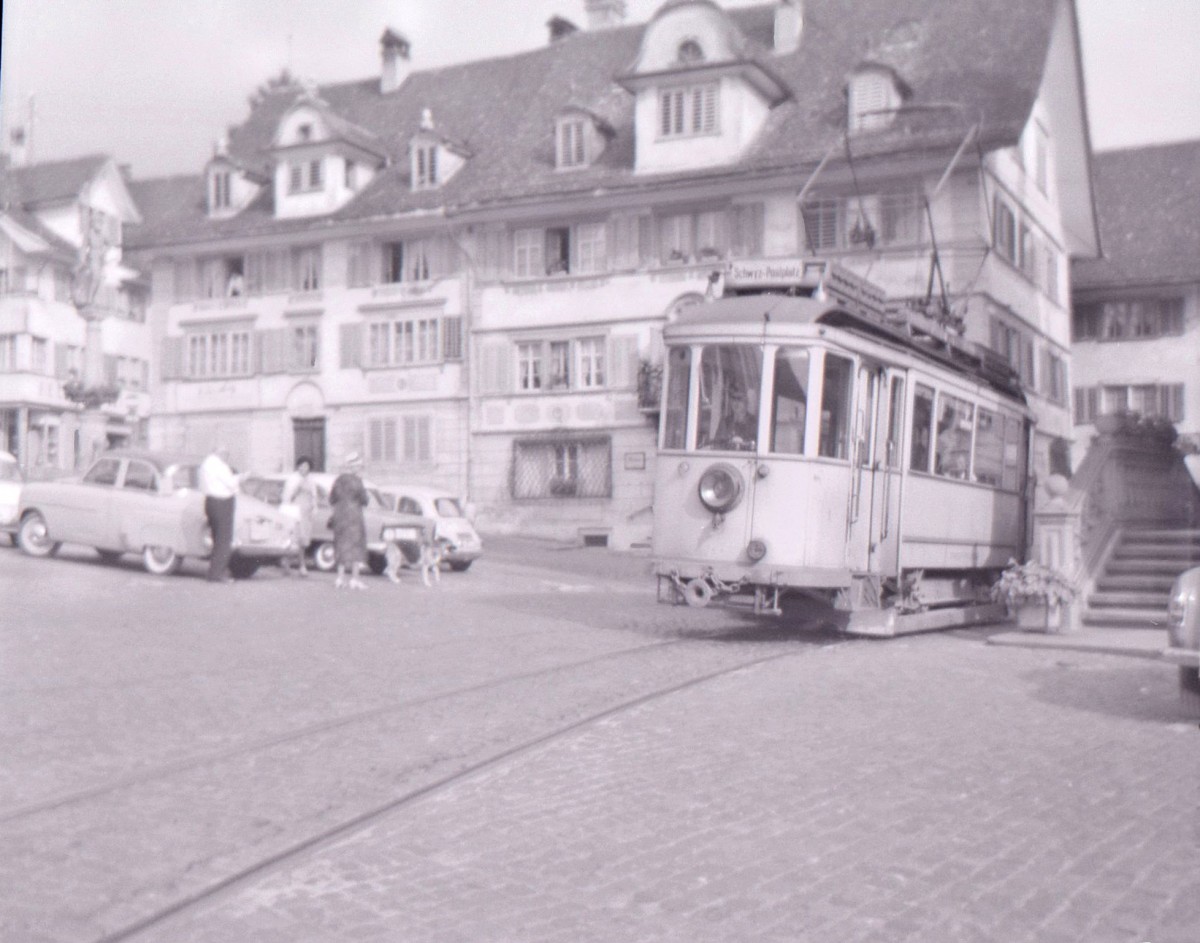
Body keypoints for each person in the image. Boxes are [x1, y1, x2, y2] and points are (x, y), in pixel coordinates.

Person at [329, 452, 369, 590]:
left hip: (340, 516)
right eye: (358, 466)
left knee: (340, 546)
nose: (359, 468)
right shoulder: (357, 481)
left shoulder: (338, 480)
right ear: (354, 467)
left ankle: (340, 578)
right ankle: (354, 579)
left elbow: (332, 499)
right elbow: (365, 500)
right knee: (356, 547)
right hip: (354, 516)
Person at [199, 446, 238, 583]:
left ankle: (215, 571)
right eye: (226, 453)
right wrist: (240, 478)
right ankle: (217, 573)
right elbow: (231, 483)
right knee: (223, 540)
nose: (227, 456)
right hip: (222, 502)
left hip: (210, 501)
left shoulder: (205, 464)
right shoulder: (220, 466)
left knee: (217, 538)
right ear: (220, 453)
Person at [280, 456, 316, 577]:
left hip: (306, 512)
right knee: (291, 538)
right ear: (298, 466)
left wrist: (314, 507)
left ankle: (302, 565)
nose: (304, 468)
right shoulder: (293, 479)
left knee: (303, 540)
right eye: (302, 466)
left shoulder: (311, 480)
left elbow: (314, 496)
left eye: (306, 466)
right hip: (294, 510)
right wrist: (297, 488)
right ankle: (286, 563)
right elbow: (287, 497)